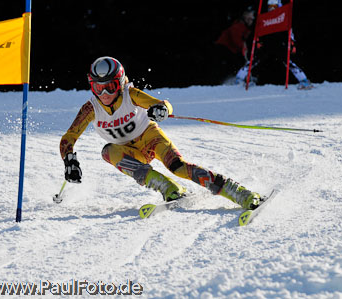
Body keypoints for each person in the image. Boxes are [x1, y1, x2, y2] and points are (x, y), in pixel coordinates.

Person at [60, 56, 263, 210]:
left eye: (110, 87)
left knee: (179, 167)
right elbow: (69, 137)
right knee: (108, 152)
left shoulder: (131, 95)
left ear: (120, 82)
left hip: (151, 138)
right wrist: (69, 160)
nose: (104, 94)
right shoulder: (91, 109)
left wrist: (162, 110)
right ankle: (170, 189)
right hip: (131, 153)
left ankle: (241, 194)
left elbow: (164, 104)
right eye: (98, 88)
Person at [234, 0, 313, 89]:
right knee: (254, 60)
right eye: (270, 7)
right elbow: (259, 31)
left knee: (288, 61)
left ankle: (304, 80)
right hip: (267, 43)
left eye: (273, 7)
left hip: (279, 43)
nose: (271, 9)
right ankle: (239, 79)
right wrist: (258, 41)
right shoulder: (265, 17)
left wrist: (291, 43)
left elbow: (290, 31)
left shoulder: (284, 15)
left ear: (278, 6)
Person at [212, 8, 255, 84]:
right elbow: (237, 41)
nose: (252, 18)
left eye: (252, 17)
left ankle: (238, 79)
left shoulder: (246, 28)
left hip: (230, 51)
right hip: (223, 49)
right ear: (244, 16)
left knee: (238, 63)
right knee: (234, 65)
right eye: (250, 16)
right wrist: (244, 49)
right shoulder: (238, 26)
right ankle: (233, 81)